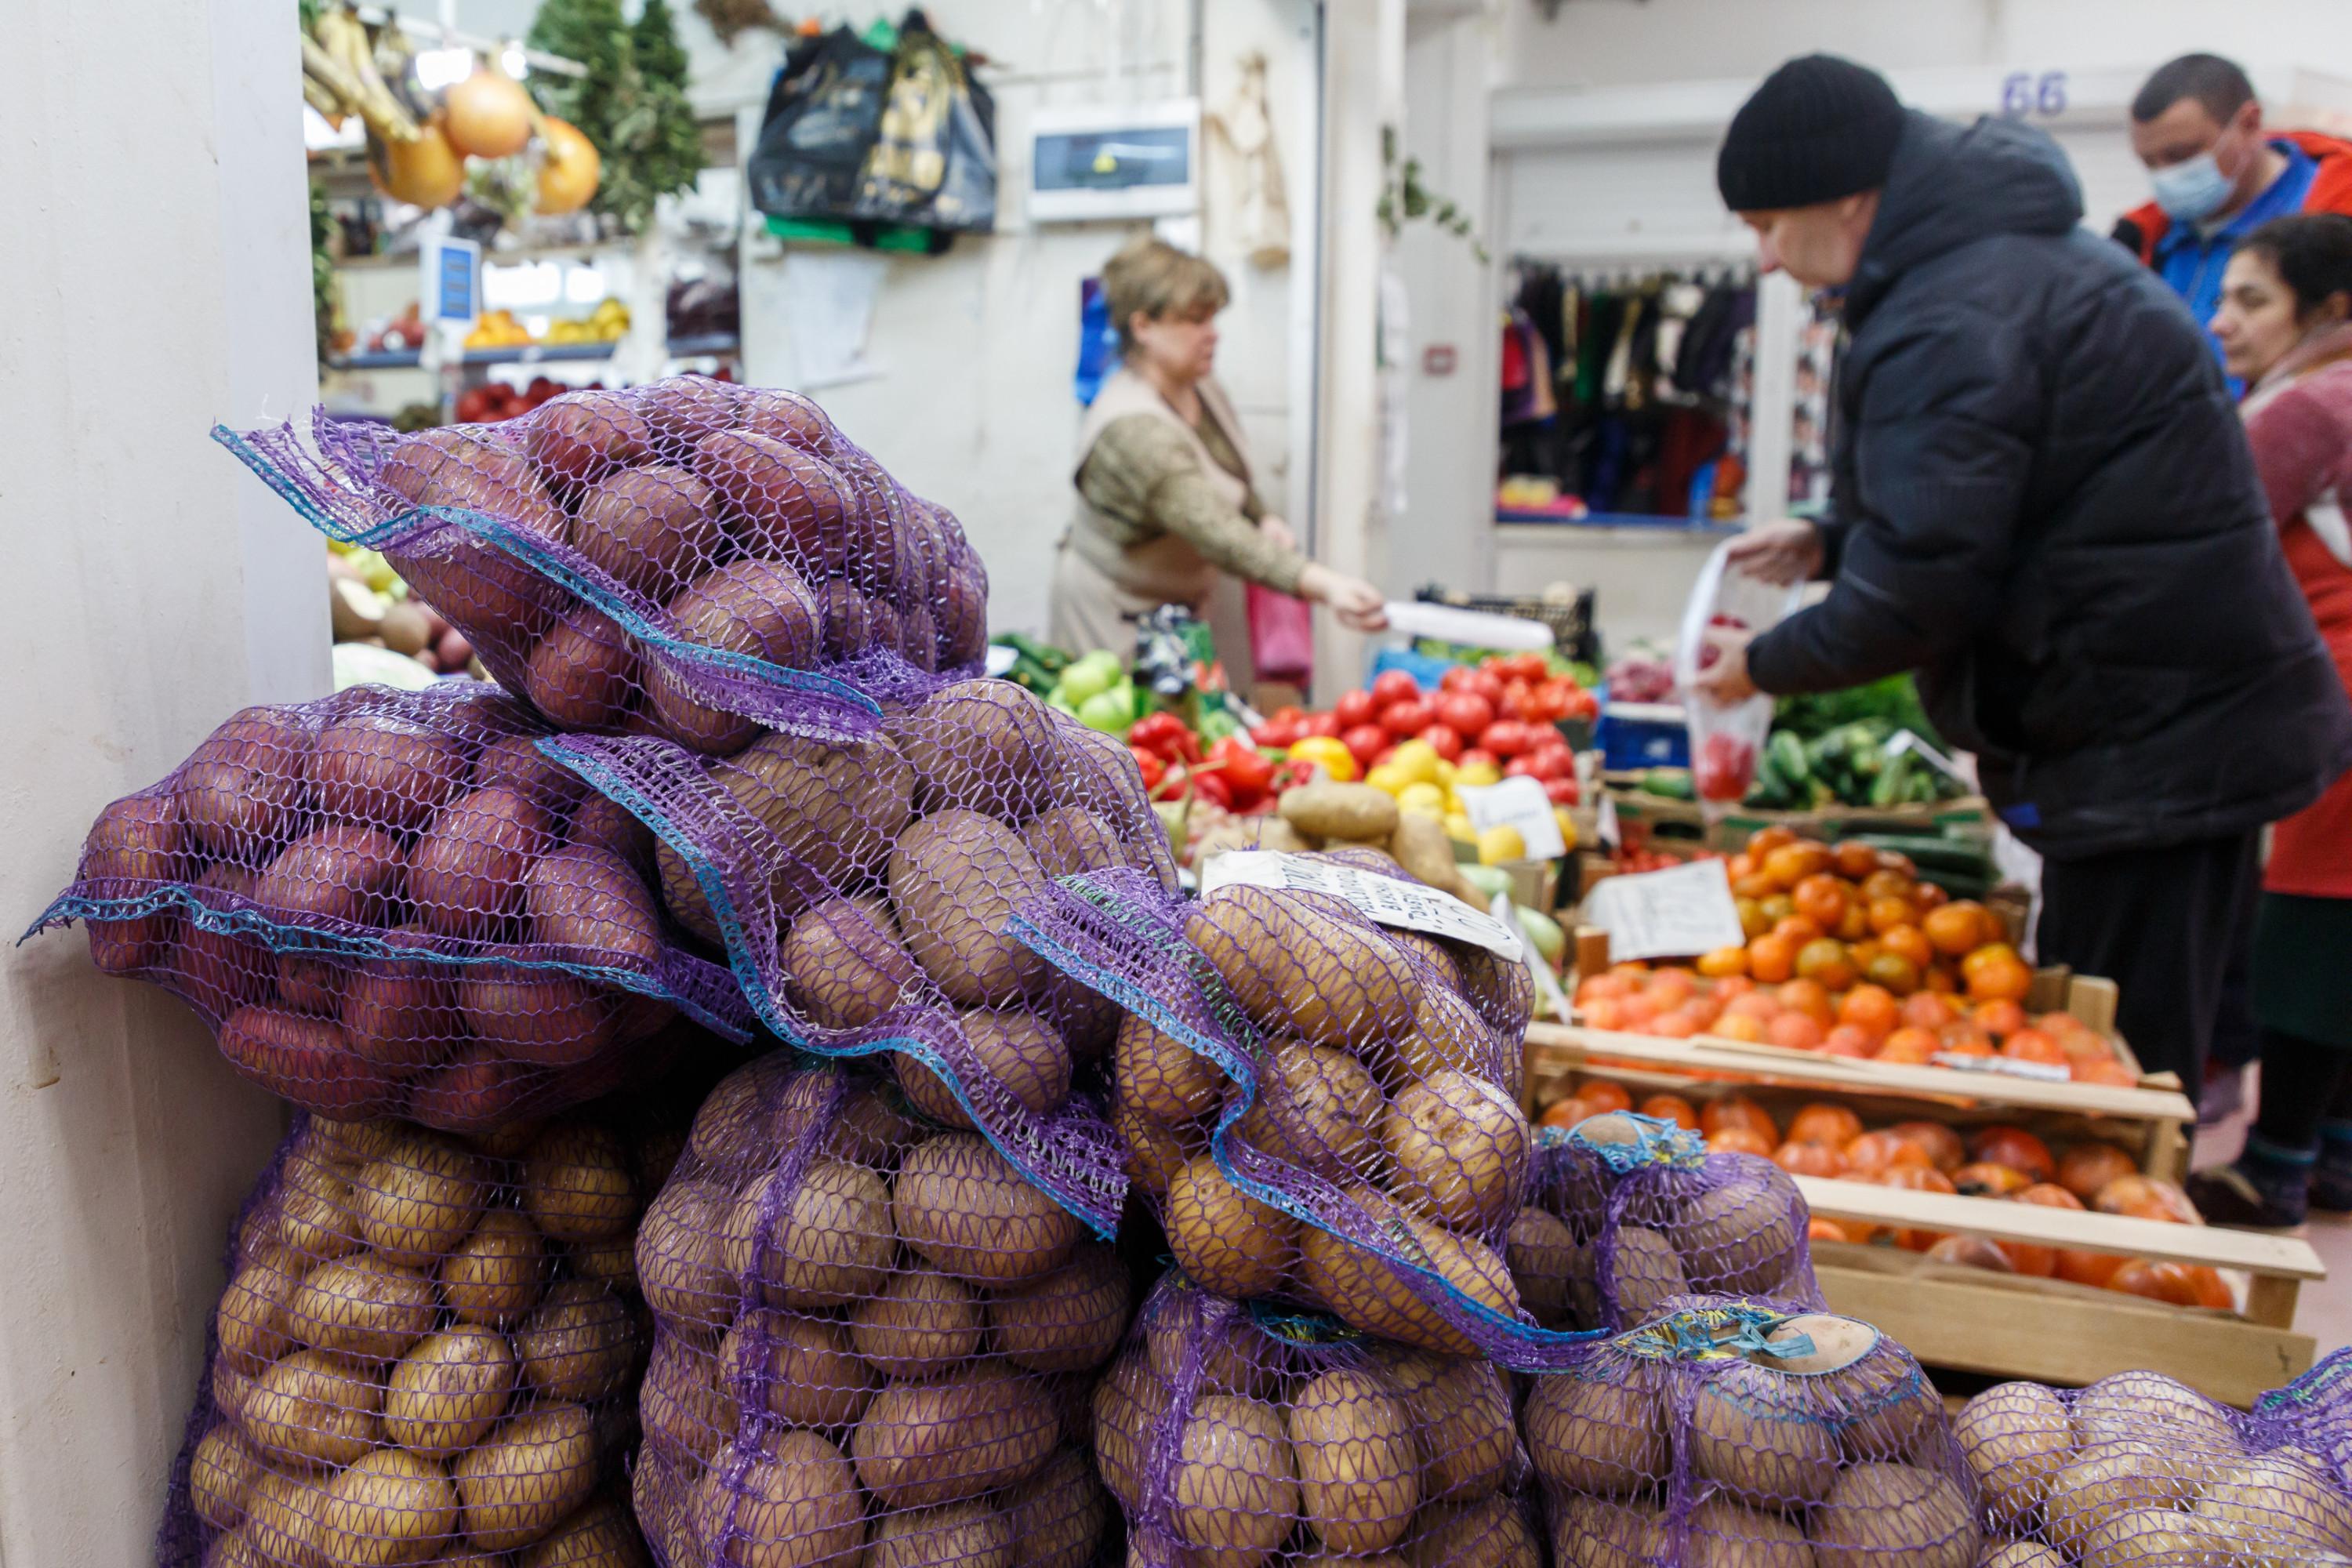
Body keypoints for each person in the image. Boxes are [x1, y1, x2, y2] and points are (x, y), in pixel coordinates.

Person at [1693, 54, 2352, 1090]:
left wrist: (1761, 664)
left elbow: (1924, 586)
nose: (1768, 261)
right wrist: (1829, 535)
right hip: (2166, 713)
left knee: (2118, 1066)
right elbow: (2000, 491)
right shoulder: (1992, 268)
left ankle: (2140, 1246)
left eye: (1770, 225)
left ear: (1852, 199)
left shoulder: (1955, 308)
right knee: (2126, 1040)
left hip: (2151, 733)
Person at [2187, 215, 2352, 1226]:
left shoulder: (2303, 408)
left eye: (2252, 299)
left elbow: (2201, 542)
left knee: (2311, 921)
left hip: (2332, 700)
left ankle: (2272, 1165)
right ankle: (2334, 1153)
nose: (2223, 321)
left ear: (2327, 309)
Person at [1049, 237, 1385, 670]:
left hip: (1176, 614)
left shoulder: (1198, 385)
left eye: (1213, 318)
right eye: (1195, 320)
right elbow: (1216, 530)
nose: (1213, 333)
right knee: (1117, 733)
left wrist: (1262, 516)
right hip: (1114, 615)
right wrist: (1326, 585)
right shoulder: (1134, 431)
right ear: (1143, 326)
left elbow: (1230, 470)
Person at [2118, 53, 2352, 361]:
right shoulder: (2143, 239)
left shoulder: (2335, 222)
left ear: (2249, 123)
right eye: (2150, 163)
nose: (2167, 176)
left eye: (2182, 155)